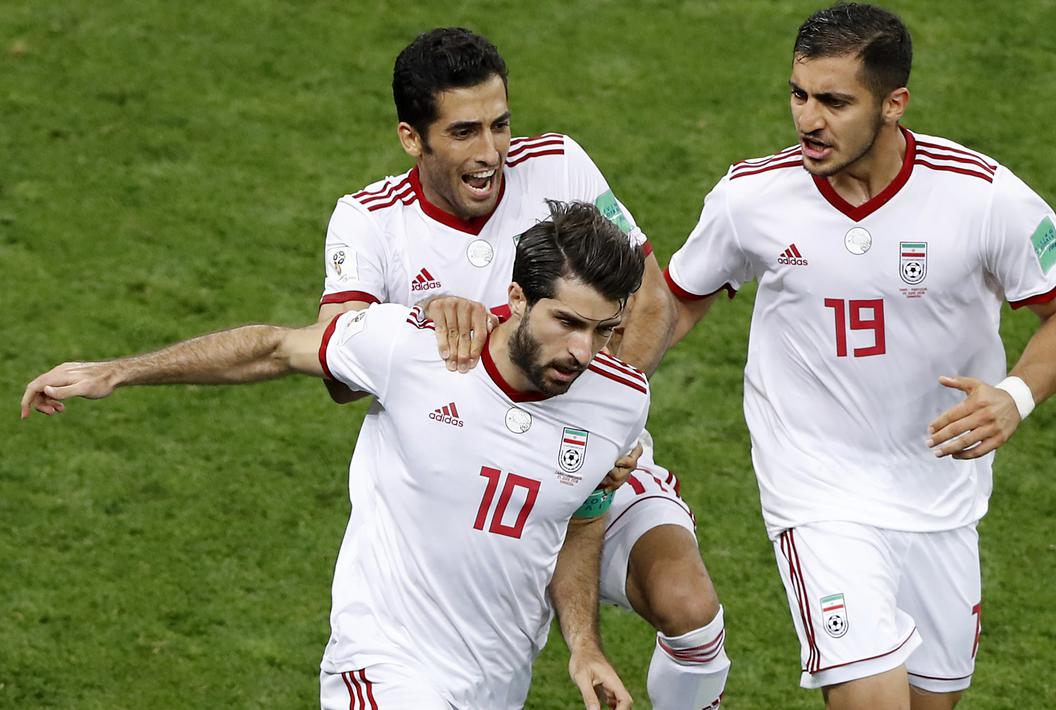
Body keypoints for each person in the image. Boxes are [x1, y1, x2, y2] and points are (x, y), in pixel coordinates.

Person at [23, 201, 651, 710]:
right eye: (566, 322)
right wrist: (121, 372)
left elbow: (582, 518)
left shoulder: (619, 402)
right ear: (516, 299)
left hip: (497, 683)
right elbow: (273, 348)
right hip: (383, 668)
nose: (583, 349)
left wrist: (584, 644)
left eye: (603, 330)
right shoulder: (410, 348)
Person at [662, 4, 1056, 709]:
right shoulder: (751, 198)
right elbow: (677, 299)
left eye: (834, 102)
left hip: (940, 499)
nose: (808, 120)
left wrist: (1012, 396)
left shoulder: (982, 197)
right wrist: (604, 386)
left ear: (893, 104)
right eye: (798, 94)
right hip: (817, 491)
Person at [316, 28, 728, 708]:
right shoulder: (369, 220)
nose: (490, 154)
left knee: (688, 604)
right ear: (410, 138)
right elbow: (334, 362)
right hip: (465, 465)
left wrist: (600, 416)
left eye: (501, 125)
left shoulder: (560, 165)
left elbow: (648, 298)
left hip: (591, 453)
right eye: (464, 132)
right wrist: (422, 314)